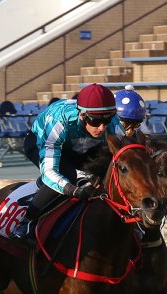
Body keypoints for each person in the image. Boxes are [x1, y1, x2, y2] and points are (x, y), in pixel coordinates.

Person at [12, 83, 117, 242]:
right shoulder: (60, 119)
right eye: (95, 121)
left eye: (107, 120)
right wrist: (73, 191)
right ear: (82, 115)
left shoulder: (111, 120)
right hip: (40, 142)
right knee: (68, 174)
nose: (102, 128)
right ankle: (27, 221)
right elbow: (49, 172)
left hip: (76, 144)